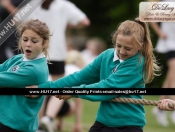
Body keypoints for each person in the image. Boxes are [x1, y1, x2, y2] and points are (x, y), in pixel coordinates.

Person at [27, 17, 161, 132]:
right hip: (103, 122)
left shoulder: (138, 63)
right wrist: (43, 88)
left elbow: (108, 88)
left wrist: (73, 92)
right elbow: (79, 77)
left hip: (128, 126)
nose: (121, 51)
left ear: (140, 46)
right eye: (119, 45)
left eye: (128, 48)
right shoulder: (107, 56)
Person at [0, 19, 50, 132]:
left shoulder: (35, 70)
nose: (28, 44)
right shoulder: (19, 58)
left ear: (45, 43)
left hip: (14, 125)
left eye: (34, 41)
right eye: (25, 39)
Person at [40, 50, 85, 132]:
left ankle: (43, 122)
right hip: (54, 97)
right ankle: (49, 118)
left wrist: (60, 122)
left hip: (42, 100)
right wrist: (78, 124)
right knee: (72, 104)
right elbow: (78, 101)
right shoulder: (77, 72)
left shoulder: (63, 68)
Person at [149, 0, 175, 126]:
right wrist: (160, 33)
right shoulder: (167, 4)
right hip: (170, 44)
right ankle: (173, 107)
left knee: (172, 75)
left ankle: (160, 108)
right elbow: (150, 17)